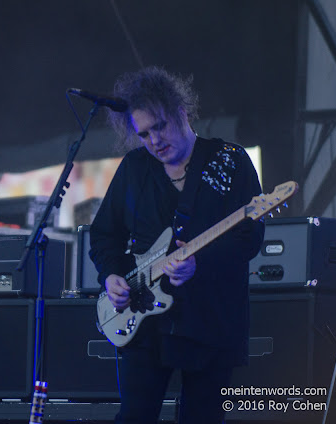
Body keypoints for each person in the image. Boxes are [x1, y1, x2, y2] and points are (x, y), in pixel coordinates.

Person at [89, 67, 265, 423]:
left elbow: (250, 238)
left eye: (160, 126)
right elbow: (104, 234)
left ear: (182, 112)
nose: (154, 140)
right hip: (144, 323)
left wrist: (202, 264)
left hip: (211, 321)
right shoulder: (135, 168)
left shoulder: (230, 161)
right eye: (144, 134)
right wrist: (110, 276)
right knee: (134, 416)